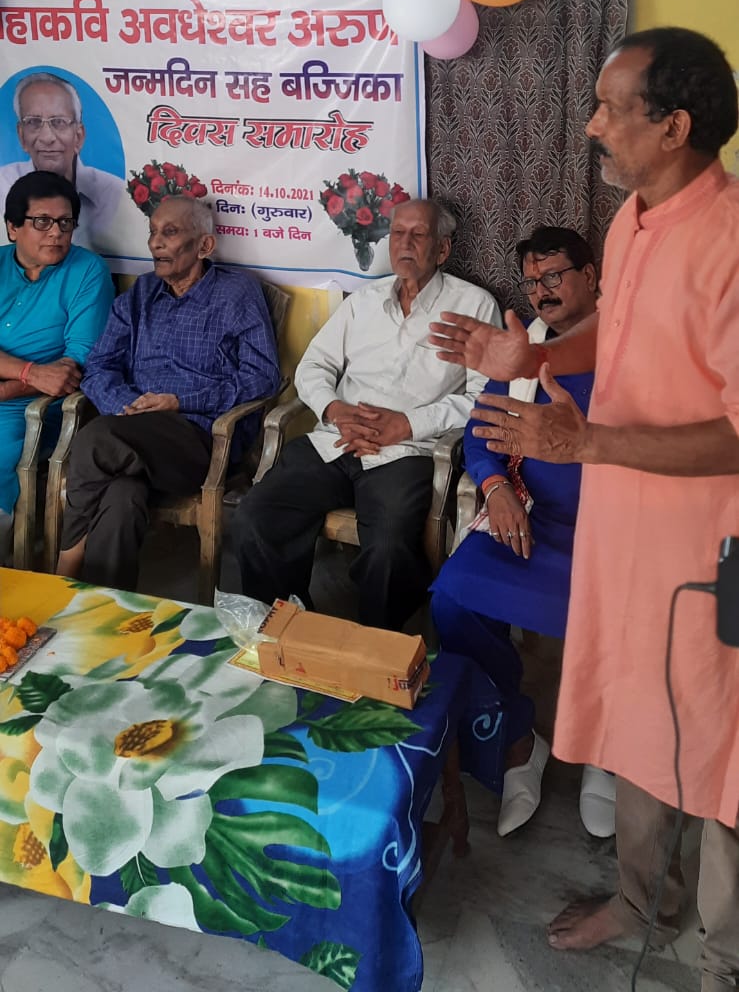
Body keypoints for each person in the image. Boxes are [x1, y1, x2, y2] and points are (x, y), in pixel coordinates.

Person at [429, 27, 739, 991]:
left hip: (706, 551)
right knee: (644, 725)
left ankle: (721, 956)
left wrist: (589, 445)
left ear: (673, 126)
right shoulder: (632, 221)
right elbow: (619, 330)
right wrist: (533, 357)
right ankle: (644, 904)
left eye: (610, 108)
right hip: (624, 533)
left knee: (717, 746)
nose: (592, 125)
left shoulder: (729, 243)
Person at [233, 198, 502, 630]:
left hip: (407, 452)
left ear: (442, 249)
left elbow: (483, 397)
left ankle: (377, 644)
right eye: (397, 233)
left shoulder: (473, 306)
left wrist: (406, 424)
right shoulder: (364, 300)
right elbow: (314, 366)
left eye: (418, 234)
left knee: (390, 547)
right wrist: (335, 409)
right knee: (255, 516)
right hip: (336, 440)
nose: (404, 244)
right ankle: (288, 630)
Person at [431, 226, 608, 835]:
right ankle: (515, 734)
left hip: (616, 531)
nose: (541, 292)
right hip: (534, 521)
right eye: (531, 282)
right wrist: (496, 488)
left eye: (554, 275)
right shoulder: (525, 348)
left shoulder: (630, 345)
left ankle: (606, 749)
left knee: (625, 618)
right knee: (454, 598)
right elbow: (481, 431)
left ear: (591, 275)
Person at [56, 194, 281, 592]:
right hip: (131, 432)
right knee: (122, 498)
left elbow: (262, 377)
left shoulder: (236, 294)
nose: (155, 243)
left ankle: (64, 566)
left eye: (170, 232)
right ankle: (102, 607)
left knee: (96, 439)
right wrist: (126, 408)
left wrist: (180, 402)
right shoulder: (141, 294)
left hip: (200, 440)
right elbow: (100, 365)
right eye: (153, 232)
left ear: (204, 245)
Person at [0, 170, 114, 558]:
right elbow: (45, 373)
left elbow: (74, 366)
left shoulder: (87, 271)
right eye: (42, 222)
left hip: (33, 409)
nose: (56, 233)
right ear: (13, 227)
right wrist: (29, 371)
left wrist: (9, 389)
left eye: (65, 223)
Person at [0, 72, 123, 247]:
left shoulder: (114, 193)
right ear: (21, 136)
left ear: (78, 136)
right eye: (34, 122)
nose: (47, 137)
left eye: (59, 122)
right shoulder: (2, 185)